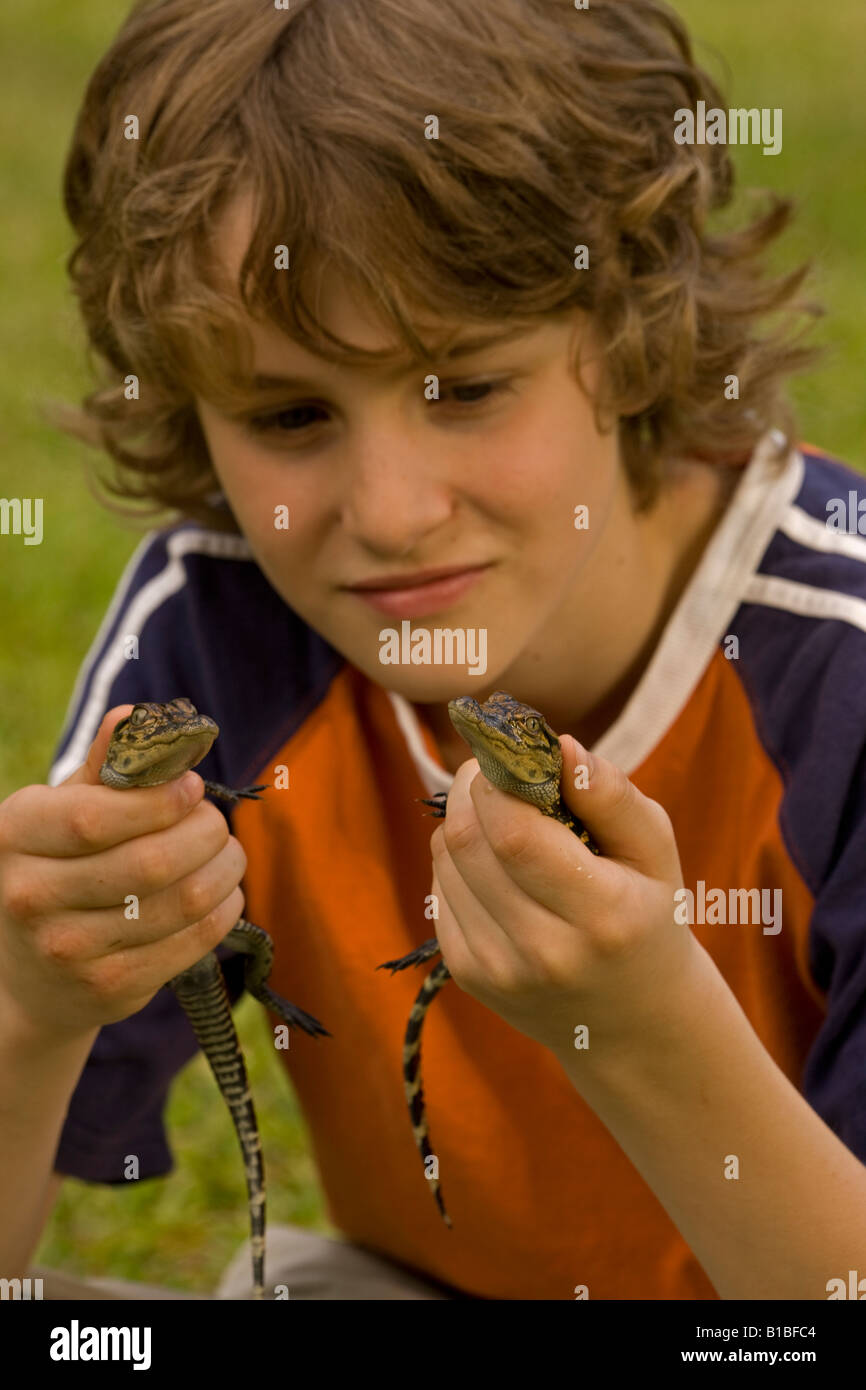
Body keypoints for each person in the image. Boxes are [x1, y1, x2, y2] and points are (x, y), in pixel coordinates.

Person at [2, 0, 865, 1301]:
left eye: (463, 386)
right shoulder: (219, 628)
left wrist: (644, 1024)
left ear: (627, 328)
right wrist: (25, 1011)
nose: (391, 513)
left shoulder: (835, 668)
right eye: (289, 412)